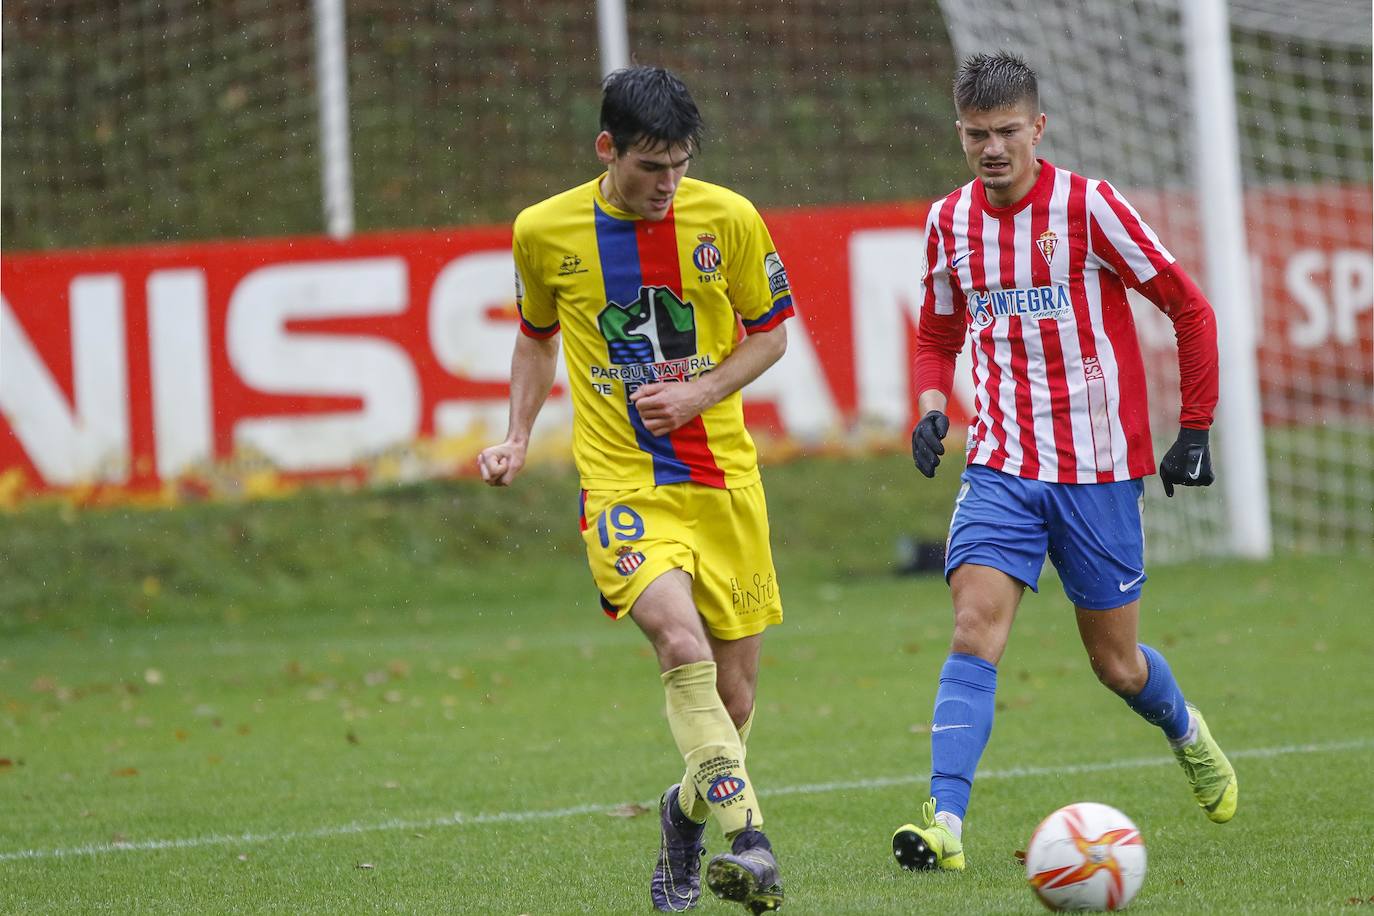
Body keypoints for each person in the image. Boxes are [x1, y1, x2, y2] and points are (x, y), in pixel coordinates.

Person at [892, 51, 1238, 873]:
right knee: (974, 629)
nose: (992, 149)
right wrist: (932, 407)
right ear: (961, 134)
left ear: (1038, 128)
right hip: (1003, 465)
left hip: (1100, 470)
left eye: (1008, 131)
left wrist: (1194, 428)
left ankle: (1186, 729)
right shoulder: (949, 222)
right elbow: (939, 330)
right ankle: (945, 824)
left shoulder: (1090, 208)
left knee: (1116, 665)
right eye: (977, 135)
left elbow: (1188, 308)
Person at [478, 66, 792, 913]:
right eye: (651, 165)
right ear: (606, 149)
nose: (668, 184)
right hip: (621, 484)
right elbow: (537, 340)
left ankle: (683, 814)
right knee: (679, 646)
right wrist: (516, 435)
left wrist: (698, 392)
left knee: (735, 699)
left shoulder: (728, 217)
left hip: (723, 482)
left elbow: (772, 338)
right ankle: (752, 846)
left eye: (680, 164)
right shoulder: (545, 232)